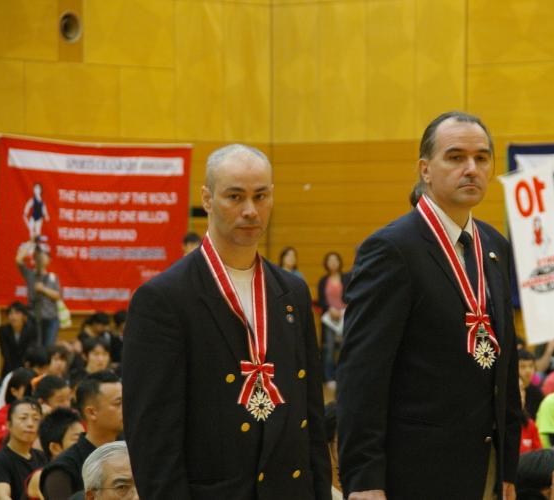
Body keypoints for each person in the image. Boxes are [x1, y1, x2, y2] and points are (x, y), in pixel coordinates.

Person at [123, 144, 330, 499]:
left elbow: (310, 413)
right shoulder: (163, 299)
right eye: (235, 197)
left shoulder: (292, 292)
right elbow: (153, 442)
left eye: (260, 196)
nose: (250, 210)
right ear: (207, 198)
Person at [337, 111, 521, 499]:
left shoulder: (494, 246)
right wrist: (364, 479)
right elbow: (362, 373)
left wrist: (507, 466)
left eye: (481, 158)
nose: (471, 169)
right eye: (455, 157)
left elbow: (505, 363)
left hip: (485, 466)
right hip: (415, 471)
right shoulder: (391, 250)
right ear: (425, 170)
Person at [41, 371, 122, 500]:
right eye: (118, 403)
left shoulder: (133, 451)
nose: (126, 408)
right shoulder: (63, 470)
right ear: (91, 413)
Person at [0, 397, 46, 500]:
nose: (30, 424)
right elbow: (1, 496)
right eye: (23, 418)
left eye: (36, 419)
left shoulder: (43, 457)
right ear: (8, 425)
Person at [27, 407, 85, 499]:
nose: (84, 443)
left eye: (85, 438)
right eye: (77, 439)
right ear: (55, 448)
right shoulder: (42, 476)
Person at [15, 240, 60, 346]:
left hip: (50, 318)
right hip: (33, 318)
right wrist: (31, 243)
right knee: (32, 347)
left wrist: (43, 289)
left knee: (48, 348)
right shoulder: (30, 274)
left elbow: (57, 296)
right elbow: (18, 259)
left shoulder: (52, 277)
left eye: (44, 255)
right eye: (39, 255)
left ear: (49, 260)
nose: (41, 257)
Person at [316, 252, 350, 387]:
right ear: (326, 263)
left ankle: (343, 375)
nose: (333, 262)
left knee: (344, 346)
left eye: (336, 260)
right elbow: (320, 300)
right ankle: (329, 376)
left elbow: (350, 296)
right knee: (329, 348)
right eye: (330, 260)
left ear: (339, 262)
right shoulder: (323, 281)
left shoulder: (346, 278)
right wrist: (329, 309)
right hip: (329, 319)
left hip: (345, 317)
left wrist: (343, 310)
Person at [0, 368, 35, 460]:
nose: (33, 394)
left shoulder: (38, 412)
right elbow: (11, 443)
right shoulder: (1, 416)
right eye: (28, 390)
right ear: (14, 391)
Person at [0, 302, 35, 377]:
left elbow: (30, 350)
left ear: (23, 315)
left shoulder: (31, 330)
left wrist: (22, 369)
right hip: (9, 367)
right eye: (11, 313)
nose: (13, 316)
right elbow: (5, 353)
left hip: (26, 367)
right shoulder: (3, 330)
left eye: (17, 313)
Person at [519, 349, 544, 418]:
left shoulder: (537, 393)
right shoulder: (507, 391)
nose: (528, 370)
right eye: (522, 366)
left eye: (531, 366)